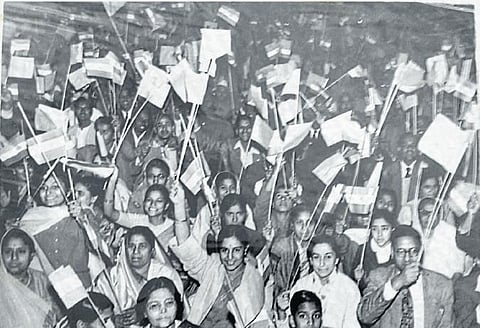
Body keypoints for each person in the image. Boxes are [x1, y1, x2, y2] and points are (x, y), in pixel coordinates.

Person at [170, 222, 270, 327]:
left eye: (236, 250)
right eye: (224, 250)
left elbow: (258, 320)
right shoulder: (213, 267)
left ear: (245, 249)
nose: (229, 257)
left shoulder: (253, 280)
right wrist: (179, 206)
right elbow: (186, 247)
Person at [357, 225, 454, 327]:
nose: (407, 258)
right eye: (401, 251)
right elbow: (364, 316)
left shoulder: (441, 284)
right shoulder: (378, 277)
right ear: (392, 252)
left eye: (414, 251)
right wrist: (396, 284)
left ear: (421, 252)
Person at [95, 226, 183, 326]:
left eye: (142, 246)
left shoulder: (167, 274)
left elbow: (176, 311)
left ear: (152, 251)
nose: (135, 252)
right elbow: (96, 312)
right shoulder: (110, 277)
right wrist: (113, 320)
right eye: (131, 246)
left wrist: (143, 313)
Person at [19, 170, 91, 288]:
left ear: (68, 191)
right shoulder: (31, 216)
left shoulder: (80, 212)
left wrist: (82, 218)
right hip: (45, 285)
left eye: (55, 187)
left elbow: (97, 244)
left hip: (78, 284)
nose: (49, 192)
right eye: (43, 188)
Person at [282, 234, 361, 328]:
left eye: (328, 257)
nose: (322, 263)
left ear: (336, 259)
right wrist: (281, 311)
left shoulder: (349, 289)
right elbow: (290, 323)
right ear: (310, 261)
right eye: (316, 257)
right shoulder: (301, 285)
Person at [104, 166, 180, 250]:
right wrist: (112, 182)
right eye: (149, 200)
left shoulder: (174, 227)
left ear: (166, 206)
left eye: (159, 201)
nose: (152, 204)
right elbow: (109, 213)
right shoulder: (138, 221)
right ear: (144, 203)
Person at [0, 228, 58, 327]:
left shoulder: (43, 282)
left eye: (21, 251)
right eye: (8, 252)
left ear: (32, 256)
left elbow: (59, 316)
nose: (14, 257)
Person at [271, 205, 316, 297]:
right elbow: (275, 282)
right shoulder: (281, 248)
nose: (305, 228)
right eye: (300, 222)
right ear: (292, 225)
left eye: (309, 223)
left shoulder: (319, 246)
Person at [416, 197, 465, 279]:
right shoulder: (411, 232)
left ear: (440, 214)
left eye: (434, 213)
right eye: (425, 213)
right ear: (418, 214)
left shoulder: (451, 233)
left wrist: (451, 286)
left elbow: (458, 268)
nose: (430, 217)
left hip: (445, 281)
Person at [351, 209, 396, 287]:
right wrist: (357, 278)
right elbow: (352, 283)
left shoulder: (397, 250)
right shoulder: (363, 250)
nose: (379, 234)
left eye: (384, 229)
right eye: (374, 229)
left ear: (392, 229)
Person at [380, 133, 424, 206]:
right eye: (405, 146)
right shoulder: (388, 171)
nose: (409, 149)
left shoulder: (423, 170)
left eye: (413, 146)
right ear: (398, 148)